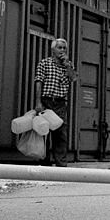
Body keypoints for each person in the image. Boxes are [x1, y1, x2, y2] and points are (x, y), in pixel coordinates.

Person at [33, 38, 77, 166]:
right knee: (43, 132)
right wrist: (38, 102)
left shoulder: (68, 65)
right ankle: (44, 161)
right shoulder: (44, 63)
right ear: (53, 49)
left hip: (60, 103)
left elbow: (73, 78)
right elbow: (38, 82)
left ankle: (61, 163)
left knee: (60, 133)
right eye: (59, 47)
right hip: (46, 101)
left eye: (64, 48)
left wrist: (67, 65)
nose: (62, 50)